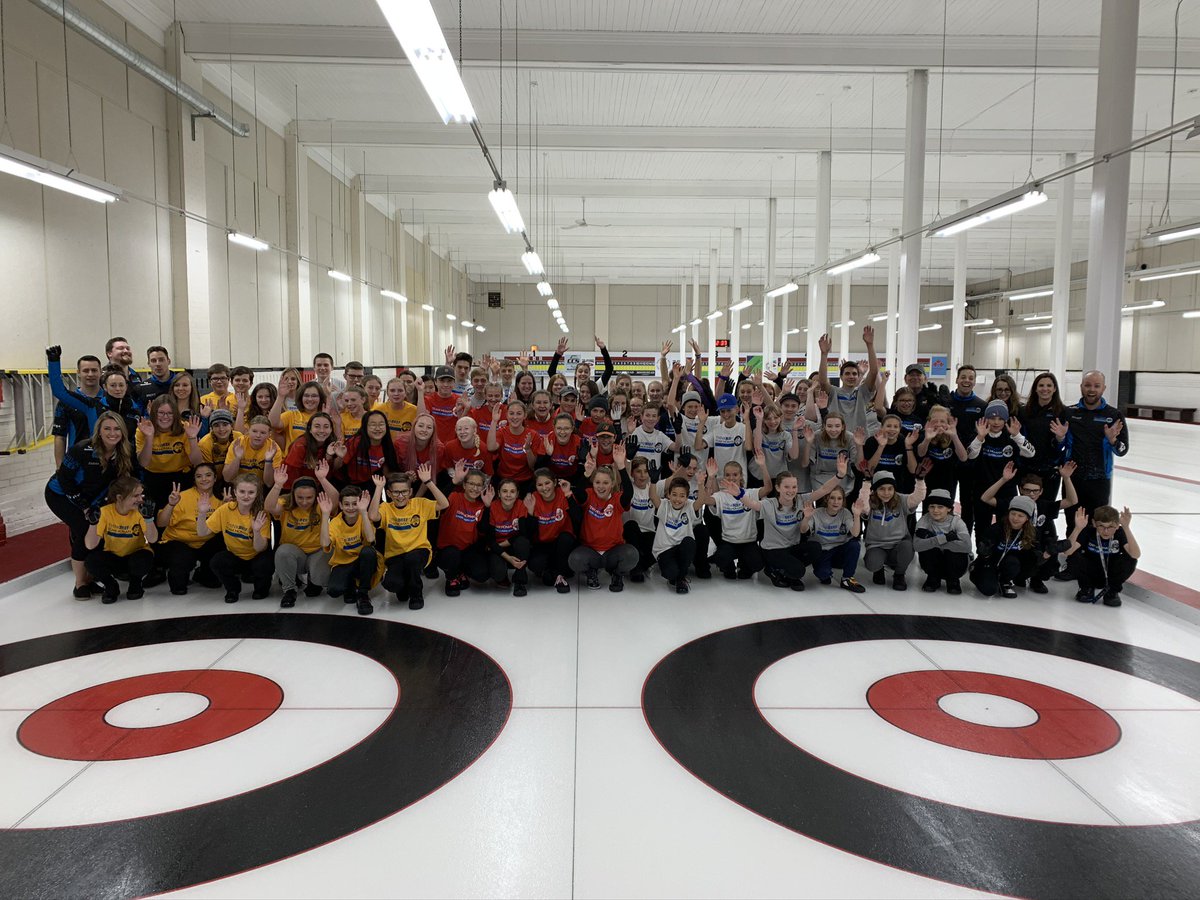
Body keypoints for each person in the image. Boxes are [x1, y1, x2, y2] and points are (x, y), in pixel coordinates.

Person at [980, 460, 1078, 593]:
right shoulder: (1013, 503)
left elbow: (1072, 501)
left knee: (1049, 557)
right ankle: (1009, 576)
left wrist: (1066, 478)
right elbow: (986, 498)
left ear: (1041, 491)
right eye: (1027, 490)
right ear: (1020, 489)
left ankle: (1036, 579)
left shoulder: (1044, 506)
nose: (1031, 494)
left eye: (1035, 491)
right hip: (1013, 547)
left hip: (1033, 548)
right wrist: (1003, 479)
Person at [370, 466, 449, 609]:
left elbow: (444, 503)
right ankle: (404, 585)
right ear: (389, 493)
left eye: (404, 492)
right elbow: (373, 516)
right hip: (395, 555)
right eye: (396, 492)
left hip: (419, 551)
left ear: (410, 492)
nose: (400, 496)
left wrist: (428, 481)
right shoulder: (386, 508)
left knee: (412, 560)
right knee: (392, 584)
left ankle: (416, 594)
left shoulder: (419, 504)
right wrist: (378, 488)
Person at [568, 443, 638, 591]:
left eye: (605, 483)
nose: (601, 486)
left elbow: (629, 493)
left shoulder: (617, 499)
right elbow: (578, 491)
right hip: (590, 550)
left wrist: (621, 466)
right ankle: (591, 572)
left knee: (632, 554)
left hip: (613, 550)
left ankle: (616, 574)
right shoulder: (589, 495)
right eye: (597, 482)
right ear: (593, 483)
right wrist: (586, 473)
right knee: (575, 559)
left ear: (612, 484)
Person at [1063, 370, 1129, 519]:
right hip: (1073, 479)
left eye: (1096, 386)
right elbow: (1057, 445)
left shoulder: (1113, 415)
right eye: (1087, 385)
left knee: (1097, 525)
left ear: (1103, 388)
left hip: (1100, 480)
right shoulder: (1069, 413)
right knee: (1072, 524)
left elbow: (1123, 450)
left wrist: (1113, 441)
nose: (1091, 389)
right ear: (1081, 387)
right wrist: (1060, 437)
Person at [197, 474, 273, 603]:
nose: (246, 496)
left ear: (257, 494)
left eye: (251, 492)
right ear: (235, 492)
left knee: (265, 564)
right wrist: (202, 513)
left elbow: (260, 548)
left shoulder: (261, 513)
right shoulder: (225, 509)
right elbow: (202, 532)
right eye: (242, 491)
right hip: (235, 555)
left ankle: (261, 588)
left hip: (256, 555)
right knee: (217, 561)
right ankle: (233, 589)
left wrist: (256, 531)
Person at [83, 476, 156, 603]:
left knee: (145, 557)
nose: (140, 499)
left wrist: (149, 518)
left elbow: (152, 539)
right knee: (91, 561)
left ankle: (136, 584)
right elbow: (90, 545)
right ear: (119, 498)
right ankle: (111, 586)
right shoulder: (105, 512)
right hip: (114, 557)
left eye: (141, 495)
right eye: (135, 496)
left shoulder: (141, 511)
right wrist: (92, 524)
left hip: (135, 556)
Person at [154, 465, 224, 595]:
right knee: (179, 587)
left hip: (205, 543)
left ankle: (204, 572)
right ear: (194, 480)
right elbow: (160, 523)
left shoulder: (221, 499)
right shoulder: (181, 497)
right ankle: (177, 573)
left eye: (208, 475)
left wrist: (227, 507)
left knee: (215, 579)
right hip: (179, 542)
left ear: (215, 478)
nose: (204, 479)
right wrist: (171, 504)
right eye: (199, 476)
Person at [967, 400, 1036, 531]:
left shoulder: (1012, 437)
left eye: (1000, 419)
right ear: (986, 419)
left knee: (1006, 525)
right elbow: (970, 455)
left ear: (1005, 420)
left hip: (1006, 490)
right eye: (992, 418)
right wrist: (980, 437)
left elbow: (1031, 453)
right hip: (983, 487)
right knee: (982, 525)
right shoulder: (979, 434)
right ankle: (983, 552)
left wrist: (1017, 435)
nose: (996, 422)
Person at [267, 472, 332, 608]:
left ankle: (313, 581)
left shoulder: (322, 504)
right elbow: (269, 507)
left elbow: (336, 499)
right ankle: (289, 590)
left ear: (315, 496)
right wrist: (278, 485)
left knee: (319, 580)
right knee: (283, 551)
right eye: (300, 497)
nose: (304, 502)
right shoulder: (285, 503)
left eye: (309, 497)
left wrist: (322, 478)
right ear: (293, 495)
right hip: (295, 553)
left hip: (317, 552)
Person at [705, 453, 772, 580]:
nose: (731, 478)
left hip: (749, 542)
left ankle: (745, 568)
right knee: (720, 558)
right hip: (729, 542)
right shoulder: (721, 495)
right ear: (723, 476)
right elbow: (705, 500)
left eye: (735, 474)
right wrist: (711, 477)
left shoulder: (750, 493)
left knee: (757, 563)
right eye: (728, 475)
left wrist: (762, 466)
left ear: (741, 476)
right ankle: (728, 568)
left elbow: (768, 488)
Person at [862, 470, 927, 591]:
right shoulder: (870, 502)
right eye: (881, 489)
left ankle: (899, 574)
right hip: (877, 546)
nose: (886, 493)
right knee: (872, 563)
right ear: (875, 489)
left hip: (898, 544)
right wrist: (866, 483)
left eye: (890, 489)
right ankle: (878, 568)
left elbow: (918, 497)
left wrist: (920, 480)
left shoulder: (901, 500)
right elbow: (862, 504)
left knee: (908, 547)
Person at [1065, 504, 1140, 607]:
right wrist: (1078, 528)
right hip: (1091, 572)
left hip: (1111, 574)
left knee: (1131, 560)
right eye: (1101, 526)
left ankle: (1112, 592)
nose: (1106, 531)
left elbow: (1136, 554)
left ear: (1118, 525)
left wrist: (1126, 528)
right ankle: (1086, 588)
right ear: (1094, 523)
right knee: (1074, 557)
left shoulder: (1120, 533)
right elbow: (1068, 552)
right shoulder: (1088, 531)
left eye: (1110, 527)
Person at [135, 396, 203, 510]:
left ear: (175, 414)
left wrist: (192, 438)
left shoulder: (185, 428)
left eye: (170, 413)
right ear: (153, 413)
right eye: (160, 413)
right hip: (153, 478)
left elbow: (197, 461)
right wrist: (149, 437)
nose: (165, 417)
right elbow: (143, 462)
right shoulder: (144, 429)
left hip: (180, 478)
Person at [319, 486, 378, 616]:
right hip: (343, 563)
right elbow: (324, 543)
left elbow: (370, 538)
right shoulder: (335, 523)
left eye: (355, 504)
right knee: (334, 591)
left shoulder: (364, 517)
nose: (351, 508)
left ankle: (363, 594)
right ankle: (350, 584)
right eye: (346, 504)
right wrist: (325, 515)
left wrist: (363, 512)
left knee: (368, 552)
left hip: (362, 561)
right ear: (340, 505)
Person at [650, 470, 710, 594]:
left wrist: (700, 484)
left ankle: (681, 578)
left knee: (689, 542)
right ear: (668, 495)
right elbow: (653, 496)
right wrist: (653, 482)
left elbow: (701, 500)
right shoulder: (664, 506)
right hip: (664, 550)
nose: (678, 499)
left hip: (681, 548)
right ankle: (675, 576)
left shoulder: (689, 506)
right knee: (671, 573)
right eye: (674, 494)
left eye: (682, 496)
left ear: (687, 497)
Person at [801, 484, 870, 592]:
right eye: (832, 498)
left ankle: (847, 579)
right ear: (826, 499)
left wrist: (856, 515)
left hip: (839, 550)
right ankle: (825, 570)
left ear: (843, 501)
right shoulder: (817, 513)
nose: (836, 502)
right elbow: (803, 530)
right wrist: (806, 518)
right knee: (823, 575)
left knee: (854, 545)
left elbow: (855, 534)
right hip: (823, 550)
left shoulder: (845, 513)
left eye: (839, 498)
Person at [944, 364, 987, 532]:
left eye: (971, 378)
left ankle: (965, 541)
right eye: (963, 377)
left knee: (968, 504)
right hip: (947, 461)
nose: (966, 381)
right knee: (946, 501)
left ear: (975, 382)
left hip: (971, 464)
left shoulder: (981, 406)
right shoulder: (946, 402)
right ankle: (944, 538)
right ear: (956, 379)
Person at [969, 495, 1039, 599]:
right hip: (990, 563)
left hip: (1009, 564)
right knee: (989, 590)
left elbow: (1034, 555)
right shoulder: (996, 529)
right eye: (1013, 514)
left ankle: (1005, 581)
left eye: (1020, 516)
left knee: (1025, 564)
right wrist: (985, 553)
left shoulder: (1030, 533)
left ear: (1027, 518)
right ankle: (979, 575)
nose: (1015, 518)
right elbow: (983, 554)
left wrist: (1046, 553)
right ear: (1008, 513)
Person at [813, 326, 880, 434]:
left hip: (858, 440)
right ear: (841, 377)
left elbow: (873, 372)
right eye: (847, 373)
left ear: (858, 376)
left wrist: (870, 345)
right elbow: (823, 381)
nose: (851, 376)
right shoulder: (834, 392)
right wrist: (824, 354)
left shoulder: (862, 393)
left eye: (854, 374)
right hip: (836, 438)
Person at [436, 468, 491, 596]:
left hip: (467, 550)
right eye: (471, 484)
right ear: (464, 485)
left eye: (479, 485)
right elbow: (439, 501)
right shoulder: (454, 497)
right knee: (452, 555)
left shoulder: (481, 506)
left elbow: (484, 530)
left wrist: (488, 507)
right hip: (447, 550)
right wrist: (454, 482)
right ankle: (451, 578)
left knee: (482, 575)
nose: (475, 488)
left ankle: (461, 571)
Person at [525, 468, 576, 593]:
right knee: (535, 565)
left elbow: (578, 518)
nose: (544, 488)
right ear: (535, 486)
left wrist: (568, 495)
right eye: (540, 484)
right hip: (542, 544)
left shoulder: (563, 493)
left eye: (547, 483)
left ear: (554, 482)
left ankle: (559, 576)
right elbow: (529, 533)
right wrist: (530, 512)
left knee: (566, 538)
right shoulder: (532, 499)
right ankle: (553, 570)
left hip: (562, 543)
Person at [912, 488, 971, 594]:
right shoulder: (924, 520)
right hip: (934, 562)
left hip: (954, 565)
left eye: (940, 507)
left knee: (938, 546)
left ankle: (953, 580)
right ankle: (933, 578)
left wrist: (932, 540)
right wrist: (945, 538)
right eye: (932, 506)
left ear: (949, 509)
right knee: (928, 549)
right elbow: (916, 546)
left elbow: (967, 547)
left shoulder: (957, 522)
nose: (935, 510)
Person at [482, 477, 532, 596]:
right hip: (496, 548)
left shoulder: (521, 505)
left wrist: (501, 544)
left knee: (523, 542)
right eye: (504, 491)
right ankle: (502, 575)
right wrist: (507, 557)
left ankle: (520, 581)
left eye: (512, 491)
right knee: (498, 573)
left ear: (517, 494)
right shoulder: (492, 507)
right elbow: (489, 539)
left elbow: (523, 534)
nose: (508, 495)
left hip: (509, 545)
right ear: (498, 493)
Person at [51, 353, 101, 465]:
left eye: (94, 370)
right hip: (77, 461)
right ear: (78, 373)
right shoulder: (67, 402)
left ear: (100, 372)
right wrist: (60, 468)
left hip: (105, 460)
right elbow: (60, 437)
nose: (90, 374)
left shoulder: (109, 400)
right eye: (86, 370)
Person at [337, 410, 404, 490]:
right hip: (346, 483)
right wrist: (340, 457)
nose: (377, 428)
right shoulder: (355, 442)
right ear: (365, 427)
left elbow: (386, 473)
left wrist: (404, 476)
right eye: (373, 425)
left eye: (381, 424)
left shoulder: (387, 446)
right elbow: (337, 467)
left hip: (368, 482)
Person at [271, 380, 330, 450]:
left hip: (316, 459)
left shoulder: (326, 416)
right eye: (306, 395)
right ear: (301, 398)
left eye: (314, 396)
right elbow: (272, 423)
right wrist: (280, 397)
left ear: (320, 398)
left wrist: (325, 418)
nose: (310, 399)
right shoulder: (291, 415)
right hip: (293, 458)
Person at [223, 416, 280, 486]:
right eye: (254, 431)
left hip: (261, 486)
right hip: (238, 485)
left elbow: (269, 483)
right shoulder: (238, 444)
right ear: (248, 431)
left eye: (263, 433)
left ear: (269, 434)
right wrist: (237, 458)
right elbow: (227, 478)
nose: (258, 435)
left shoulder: (273, 448)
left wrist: (268, 461)